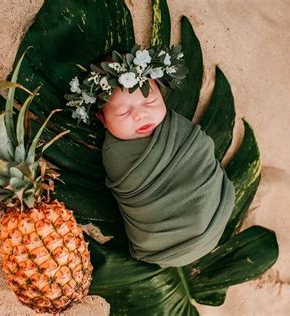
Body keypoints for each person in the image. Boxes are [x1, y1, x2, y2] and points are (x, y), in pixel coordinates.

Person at [65, 45, 235, 267]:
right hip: (162, 242)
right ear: (103, 119)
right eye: (124, 112)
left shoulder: (177, 129)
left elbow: (199, 149)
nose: (140, 115)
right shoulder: (116, 156)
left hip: (214, 211)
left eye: (150, 101)